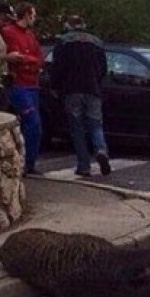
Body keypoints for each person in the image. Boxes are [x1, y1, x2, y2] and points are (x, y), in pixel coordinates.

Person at [49, 15, 111, 177]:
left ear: (69, 25)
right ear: (83, 25)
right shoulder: (97, 42)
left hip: (72, 91)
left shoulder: (63, 42)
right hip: (93, 90)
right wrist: (98, 83)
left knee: (77, 130)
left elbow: (57, 68)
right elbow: (104, 68)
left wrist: (55, 87)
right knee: (96, 125)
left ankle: (84, 166)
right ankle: (100, 149)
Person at [0, 2, 44, 176]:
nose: (34, 18)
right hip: (19, 84)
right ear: (26, 15)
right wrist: (29, 61)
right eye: (33, 15)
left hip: (32, 84)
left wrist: (29, 61)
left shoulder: (30, 35)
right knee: (32, 122)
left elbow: (38, 57)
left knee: (36, 127)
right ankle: (25, 163)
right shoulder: (9, 32)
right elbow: (17, 58)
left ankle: (30, 163)